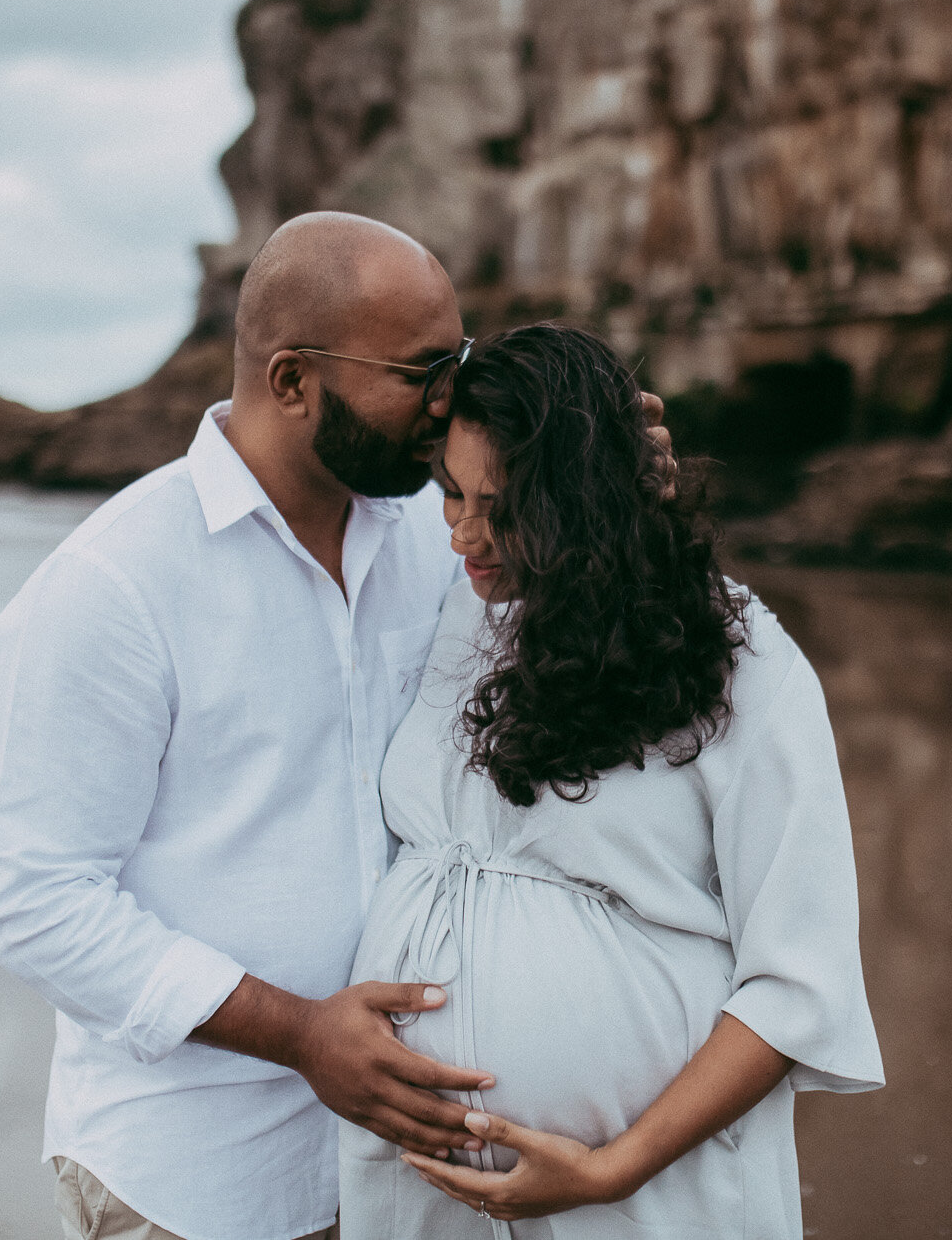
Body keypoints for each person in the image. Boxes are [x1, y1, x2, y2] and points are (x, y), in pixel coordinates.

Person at [0, 214, 673, 1240]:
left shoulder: (439, 541)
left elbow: (579, 674)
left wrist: (611, 501)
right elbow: (34, 901)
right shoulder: (109, 585)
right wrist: (300, 1031)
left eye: (461, 361)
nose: (450, 401)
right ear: (292, 378)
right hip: (192, 1181)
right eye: (421, 370)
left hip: (409, 1178)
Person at [339, 325, 884, 1239]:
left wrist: (606, 1169)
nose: (464, 533)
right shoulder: (448, 611)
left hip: (647, 1198)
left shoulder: (740, 660)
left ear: (574, 504)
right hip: (421, 1199)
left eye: (501, 507)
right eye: (450, 493)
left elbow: (800, 981)